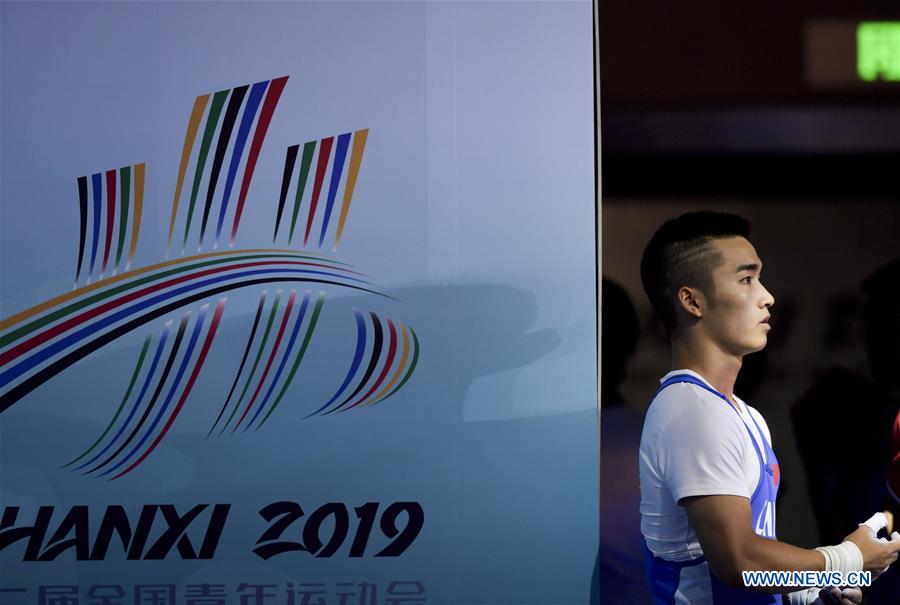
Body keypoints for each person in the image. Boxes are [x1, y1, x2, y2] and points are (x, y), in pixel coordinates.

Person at [637, 211, 900, 605]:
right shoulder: (693, 413)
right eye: (746, 279)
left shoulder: (742, 415)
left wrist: (807, 593)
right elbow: (739, 563)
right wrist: (846, 558)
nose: (767, 296)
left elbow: (751, 567)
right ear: (692, 300)